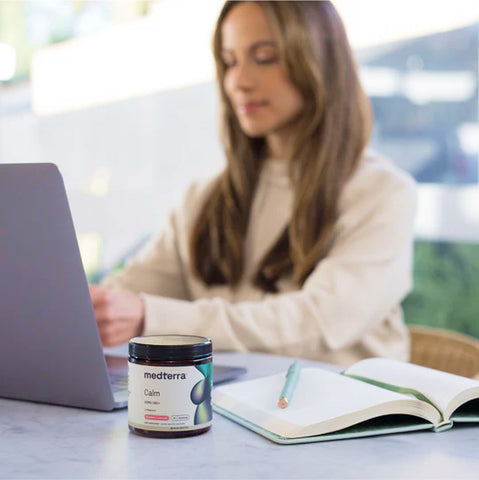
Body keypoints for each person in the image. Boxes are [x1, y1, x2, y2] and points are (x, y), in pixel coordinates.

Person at [89, 0, 417, 366]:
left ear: (318, 62)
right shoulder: (205, 198)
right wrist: (90, 306)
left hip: (353, 414)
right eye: (229, 62)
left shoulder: (382, 193)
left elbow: (318, 323)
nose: (238, 81)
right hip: (234, 411)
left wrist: (152, 317)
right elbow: (128, 293)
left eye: (264, 57)